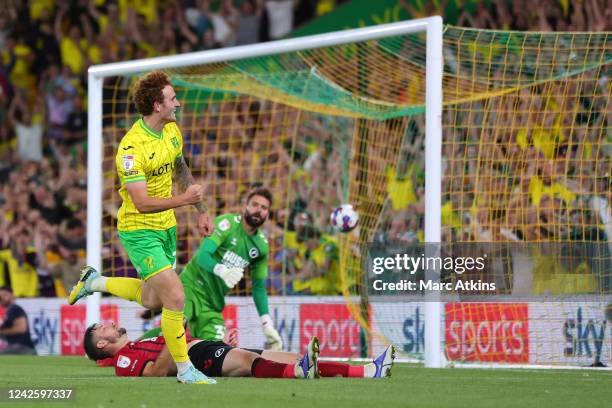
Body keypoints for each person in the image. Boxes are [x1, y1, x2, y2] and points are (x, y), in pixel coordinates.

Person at [68, 71, 215, 384]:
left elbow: (179, 167)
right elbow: (142, 202)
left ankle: (95, 282)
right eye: (172, 98)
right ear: (156, 105)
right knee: (176, 297)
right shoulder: (131, 148)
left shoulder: (172, 131)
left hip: (166, 227)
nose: (178, 102)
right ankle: (186, 370)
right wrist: (186, 200)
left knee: (152, 299)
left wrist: (201, 210)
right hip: (139, 229)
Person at [84, 321, 395, 379]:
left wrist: (172, 336)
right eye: (102, 327)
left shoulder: (139, 342)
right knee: (250, 361)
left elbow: (174, 342)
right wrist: (171, 337)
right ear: (102, 344)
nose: (109, 323)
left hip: (203, 348)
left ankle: (368, 370)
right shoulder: (124, 359)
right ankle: (297, 374)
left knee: (287, 356)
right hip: (195, 358)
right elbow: (154, 373)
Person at [179, 187, 282, 349]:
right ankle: (134, 350)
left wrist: (267, 323)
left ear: (268, 215)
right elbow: (202, 257)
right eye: (255, 205)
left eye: (264, 208)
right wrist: (223, 271)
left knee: (218, 351)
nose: (258, 210)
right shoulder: (226, 224)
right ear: (244, 207)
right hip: (191, 287)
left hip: (213, 304)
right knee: (173, 332)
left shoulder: (261, 246)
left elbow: (258, 287)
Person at [0, 286, 36, 355]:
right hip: (13, 346)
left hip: (22, 347)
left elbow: (21, 329)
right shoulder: (6, 311)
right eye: (0, 296)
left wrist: (2, 332)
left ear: (12, 295)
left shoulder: (15, 308)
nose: (2, 298)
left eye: (5, 295)